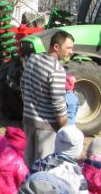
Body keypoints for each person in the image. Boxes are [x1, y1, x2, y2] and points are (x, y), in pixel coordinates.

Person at [21, 30, 74, 165]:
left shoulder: (33, 59)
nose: (71, 52)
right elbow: (58, 104)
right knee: (42, 168)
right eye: (68, 48)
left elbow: (23, 86)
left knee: (27, 164)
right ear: (56, 47)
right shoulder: (57, 70)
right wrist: (66, 129)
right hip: (46, 127)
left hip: (28, 121)